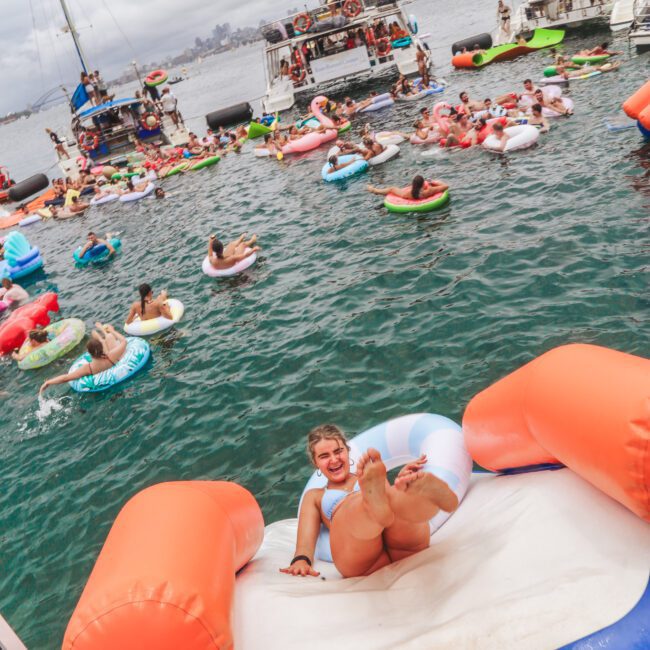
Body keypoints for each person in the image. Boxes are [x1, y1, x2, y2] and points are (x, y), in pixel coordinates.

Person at [280, 424, 458, 578]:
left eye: (338, 451)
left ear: (347, 451)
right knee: (357, 505)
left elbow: (388, 503)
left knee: (393, 500)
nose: (334, 459)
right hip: (361, 557)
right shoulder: (315, 495)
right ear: (315, 463)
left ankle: (418, 496)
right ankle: (378, 503)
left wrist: (405, 482)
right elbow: (304, 543)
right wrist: (301, 560)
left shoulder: (370, 476)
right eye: (324, 456)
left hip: (402, 545)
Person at [39, 323, 127, 394]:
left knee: (105, 339)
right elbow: (124, 341)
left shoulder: (88, 368)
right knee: (110, 336)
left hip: (99, 368)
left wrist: (48, 382)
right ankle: (103, 334)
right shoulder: (111, 355)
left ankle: (101, 338)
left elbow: (66, 378)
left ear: (89, 352)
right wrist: (112, 330)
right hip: (110, 361)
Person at [367, 175, 448, 199]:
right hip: (424, 196)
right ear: (423, 184)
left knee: (391, 189)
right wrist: (433, 182)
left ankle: (374, 190)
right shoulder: (429, 191)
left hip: (409, 197)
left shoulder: (409, 193)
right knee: (436, 181)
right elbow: (446, 186)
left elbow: (393, 191)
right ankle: (374, 190)